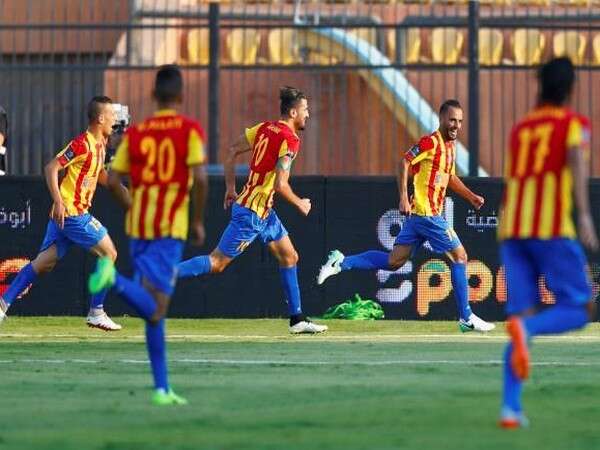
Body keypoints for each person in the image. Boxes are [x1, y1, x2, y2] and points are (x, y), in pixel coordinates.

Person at [317, 99, 495, 332]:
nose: (456, 125)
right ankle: (466, 317)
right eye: (452, 120)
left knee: (394, 261)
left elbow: (449, 177)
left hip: (418, 218)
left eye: (460, 121)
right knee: (460, 257)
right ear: (442, 118)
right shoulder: (430, 142)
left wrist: (470, 196)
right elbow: (404, 162)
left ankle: (342, 262)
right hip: (427, 214)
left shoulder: (450, 147)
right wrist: (403, 196)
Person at [88, 65, 208, 405]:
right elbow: (200, 179)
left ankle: (162, 388)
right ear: (181, 96)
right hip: (168, 230)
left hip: (139, 228)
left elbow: (113, 180)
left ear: (153, 95)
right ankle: (111, 279)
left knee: (152, 310)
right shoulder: (189, 130)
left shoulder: (137, 134)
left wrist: (133, 208)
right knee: (156, 309)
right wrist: (197, 220)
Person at [176, 86, 327, 334]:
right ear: (293, 112)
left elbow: (231, 151)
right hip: (252, 214)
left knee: (290, 256)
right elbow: (280, 185)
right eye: (305, 110)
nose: (307, 114)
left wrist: (229, 188)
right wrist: (300, 203)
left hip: (264, 213)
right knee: (217, 263)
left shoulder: (265, 128)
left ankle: (297, 319)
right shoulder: (290, 140)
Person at [497, 57, 598, 428]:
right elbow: (575, 161)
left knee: (521, 315)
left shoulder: (520, 128)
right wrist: (583, 214)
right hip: (551, 228)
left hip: (512, 230)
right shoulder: (574, 124)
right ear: (571, 88)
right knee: (581, 308)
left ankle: (510, 409)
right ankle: (528, 331)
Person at [0, 96, 124, 331]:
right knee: (110, 253)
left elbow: (100, 175)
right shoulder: (82, 144)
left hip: (66, 216)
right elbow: (51, 167)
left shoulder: (100, 145)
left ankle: (1, 305)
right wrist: (58, 200)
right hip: (72, 213)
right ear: (100, 118)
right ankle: (96, 311)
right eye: (111, 116)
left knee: (42, 264)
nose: (114, 120)